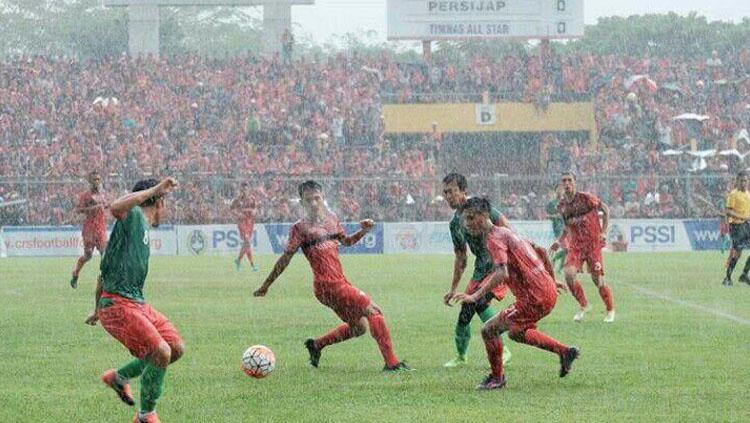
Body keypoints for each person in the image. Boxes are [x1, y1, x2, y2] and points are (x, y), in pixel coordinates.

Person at [253, 180, 410, 372]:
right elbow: (286, 258)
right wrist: (266, 284)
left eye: (316, 198)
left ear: (323, 198)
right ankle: (392, 364)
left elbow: (347, 242)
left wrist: (364, 231)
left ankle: (316, 345)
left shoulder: (332, 219)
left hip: (338, 283)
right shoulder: (300, 228)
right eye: (308, 199)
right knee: (374, 311)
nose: (313, 203)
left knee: (358, 328)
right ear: (301, 202)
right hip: (327, 285)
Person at [453, 197, 578, 391]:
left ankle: (497, 378)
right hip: (545, 292)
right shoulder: (506, 233)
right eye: (465, 220)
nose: (467, 224)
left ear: (484, 215)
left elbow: (502, 273)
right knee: (517, 332)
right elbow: (541, 251)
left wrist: (475, 296)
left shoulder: (494, 239)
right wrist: (550, 280)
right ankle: (564, 352)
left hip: (533, 298)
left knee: (489, 330)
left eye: (471, 218)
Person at [85, 178, 182, 423]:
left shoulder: (137, 229)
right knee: (160, 352)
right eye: (164, 201)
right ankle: (146, 415)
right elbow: (116, 207)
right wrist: (156, 188)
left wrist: (96, 309)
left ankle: (119, 378)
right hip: (118, 304)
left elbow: (102, 273)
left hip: (135, 303)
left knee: (174, 348)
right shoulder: (135, 216)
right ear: (159, 201)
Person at [441, 173, 512, 368]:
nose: (448, 196)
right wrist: (454, 288)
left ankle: (503, 349)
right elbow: (461, 257)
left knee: (479, 302)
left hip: (498, 266)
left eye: (451, 192)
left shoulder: (480, 208)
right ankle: (461, 356)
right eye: (445, 192)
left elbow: (507, 229)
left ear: (464, 191)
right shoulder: (455, 223)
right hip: (480, 270)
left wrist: (513, 259)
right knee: (466, 311)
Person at [549, 172, 615, 323]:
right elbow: (567, 227)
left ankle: (610, 310)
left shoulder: (586, 198)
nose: (567, 183)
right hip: (576, 247)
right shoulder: (561, 206)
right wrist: (559, 241)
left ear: (575, 182)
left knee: (597, 280)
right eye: (564, 181)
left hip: (592, 245)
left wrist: (603, 231)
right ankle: (584, 305)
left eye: (569, 180)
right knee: (569, 275)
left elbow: (605, 210)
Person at [70, 171, 109, 289]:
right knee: (88, 255)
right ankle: (75, 273)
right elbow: (79, 210)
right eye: (94, 180)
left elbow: (106, 205)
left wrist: (108, 205)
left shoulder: (103, 194)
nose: (97, 182)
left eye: (98, 179)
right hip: (89, 229)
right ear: (89, 181)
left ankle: (106, 280)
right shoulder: (85, 195)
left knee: (105, 254)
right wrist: (94, 207)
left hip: (101, 228)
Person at [723, 171, 750, 286]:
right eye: (741, 180)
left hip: (746, 225)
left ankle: (744, 274)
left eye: (745, 180)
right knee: (737, 253)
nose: (744, 183)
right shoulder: (733, 194)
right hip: (737, 226)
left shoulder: (748, 194)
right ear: (737, 181)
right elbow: (728, 211)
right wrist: (742, 217)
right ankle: (727, 278)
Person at [231, 184, 258, 271]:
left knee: (246, 244)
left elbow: (255, 208)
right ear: (241, 190)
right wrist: (237, 214)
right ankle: (252, 264)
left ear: (248, 190)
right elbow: (231, 209)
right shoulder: (237, 200)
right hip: (242, 222)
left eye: (246, 189)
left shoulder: (252, 199)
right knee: (247, 241)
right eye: (243, 190)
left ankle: (238, 260)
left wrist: (254, 211)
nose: (244, 191)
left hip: (250, 222)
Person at [546, 187, 567, 273]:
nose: (560, 192)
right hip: (558, 227)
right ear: (556, 191)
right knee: (566, 249)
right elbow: (548, 215)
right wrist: (556, 216)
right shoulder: (552, 203)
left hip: (566, 226)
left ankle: (557, 263)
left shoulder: (564, 202)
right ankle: (558, 266)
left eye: (561, 190)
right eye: (559, 190)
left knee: (567, 249)